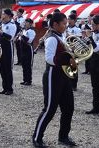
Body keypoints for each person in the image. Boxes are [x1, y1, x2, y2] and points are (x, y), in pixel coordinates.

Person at [33, 12, 77, 147]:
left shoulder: (62, 35)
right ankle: (37, 138)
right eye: (64, 23)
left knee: (69, 107)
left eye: (66, 23)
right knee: (49, 109)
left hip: (64, 75)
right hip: (53, 76)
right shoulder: (52, 38)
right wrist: (67, 60)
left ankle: (63, 136)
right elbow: (49, 59)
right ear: (55, 24)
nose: (66, 25)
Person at [0, 8, 16, 95]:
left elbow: (10, 37)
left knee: (7, 69)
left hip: (8, 49)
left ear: (8, 15)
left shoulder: (12, 25)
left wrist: (1, 32)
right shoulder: (2, 24)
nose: (2, 16)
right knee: (2, 68)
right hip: (0, 48)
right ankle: (4, 87)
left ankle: (9, 88)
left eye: (3, 14)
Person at [84, 15, 99, 117]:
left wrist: (89, 37)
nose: (92, 27)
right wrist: (86, 40)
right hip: (94, 61)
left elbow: (96, 48)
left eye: (94, 25)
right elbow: (90, 47)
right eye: (92, 24)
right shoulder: (94, 33)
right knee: (95, 86)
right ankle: (95, 107)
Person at [66, 14, 82, 91]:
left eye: (70, 19)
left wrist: (68, 34)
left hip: (74, 50)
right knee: (67, 66)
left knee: (73, 67)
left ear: (74, 20)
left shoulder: (77, 29)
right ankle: (68, 83)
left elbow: (78, 40)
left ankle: (74, 85)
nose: (68, 21)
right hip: (67, 49)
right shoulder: (66, 28)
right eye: (68, 19)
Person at [20, 18, 36, 86]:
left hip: (28, 49)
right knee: (24, 65)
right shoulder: (24, 30)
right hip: (23, 49)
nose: (25, 23)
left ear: (30, 24)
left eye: (27, 22)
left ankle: (29, 80)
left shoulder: (31, 31)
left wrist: (22, 36)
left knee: (28, 65)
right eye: (25, 22)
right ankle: (25, 79)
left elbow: (29, 40)